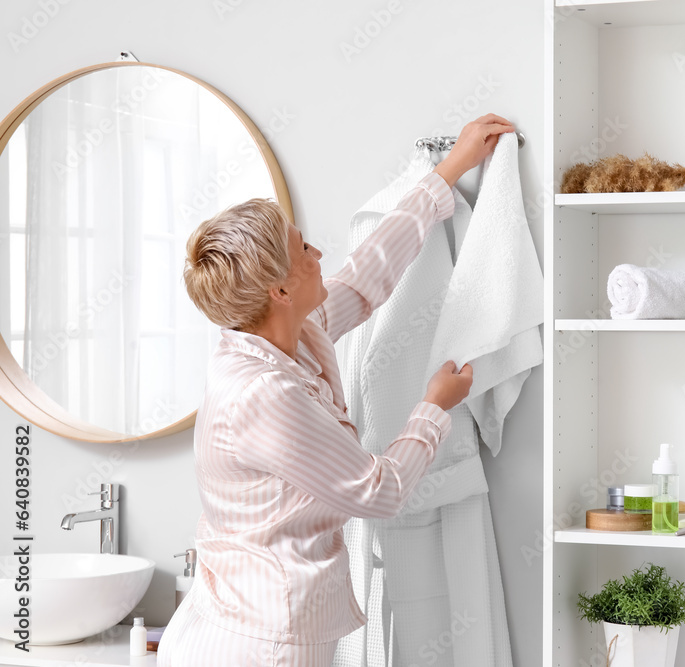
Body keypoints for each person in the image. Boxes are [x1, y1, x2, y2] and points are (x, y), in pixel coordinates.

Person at [157, 114, 516, 666]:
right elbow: (378, 491)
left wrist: (446, 174)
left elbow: (364, 278)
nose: (317, 255)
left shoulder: (287, 334)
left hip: (246, 622)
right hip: (258, 645)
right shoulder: (264, 394)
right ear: (278, 289)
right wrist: (433, 405)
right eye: (304, 250)